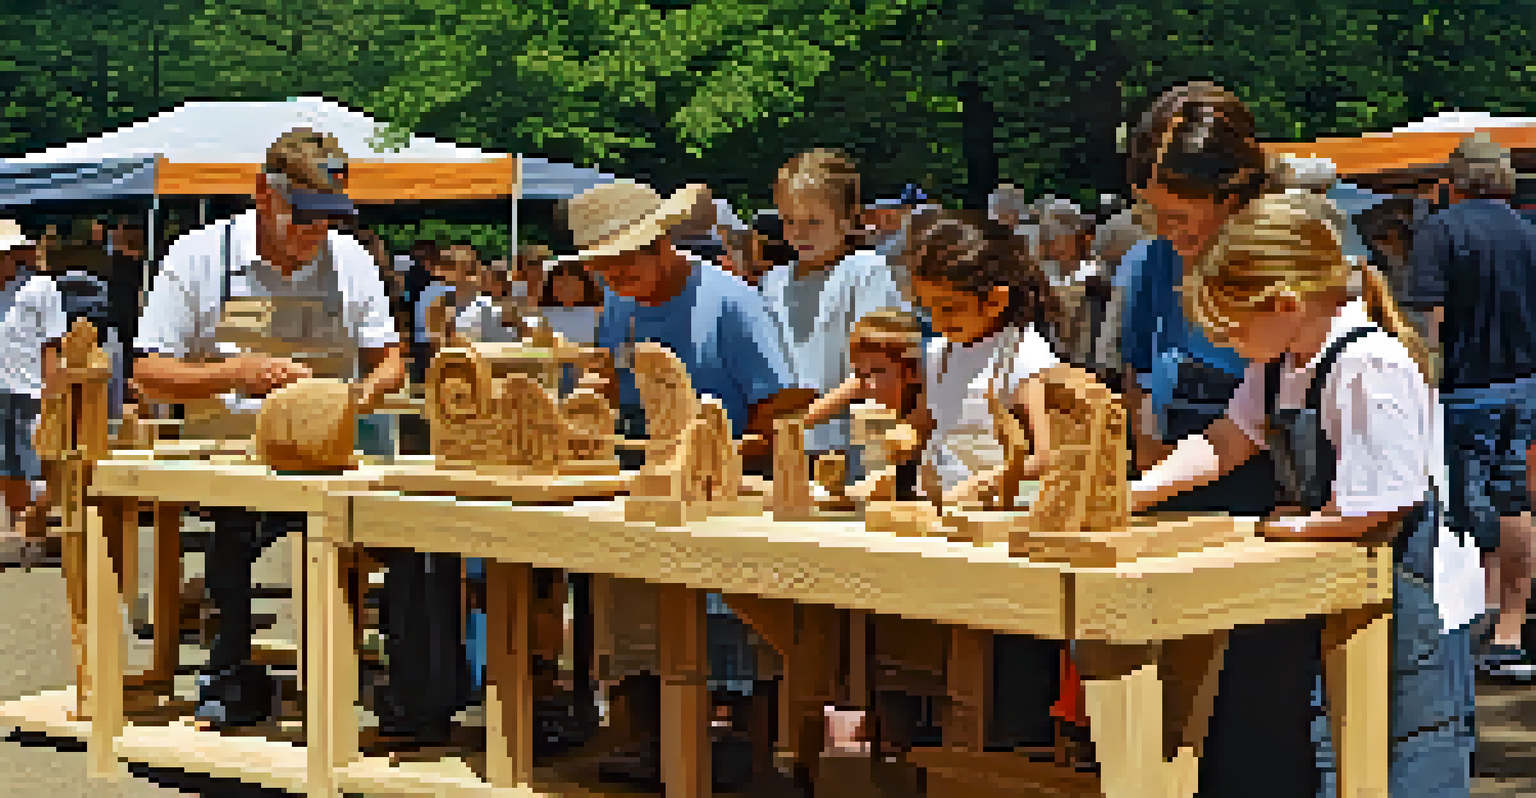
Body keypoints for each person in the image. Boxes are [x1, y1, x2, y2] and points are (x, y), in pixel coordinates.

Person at [1132, 190, 1475, 796]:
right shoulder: (1282, 364)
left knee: (1407, 761)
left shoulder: (1369, 363)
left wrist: (1299, 526)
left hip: (1411, 606)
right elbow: (1227, 440)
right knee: (1339, 756)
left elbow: (1381, 505)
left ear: (1286, 303)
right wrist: (1136, 494)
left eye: (1234, 329)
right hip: (1349, 597)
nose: (1231, 345)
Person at [130, 129, 434, 738]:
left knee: (416, 537)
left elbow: (390, 361)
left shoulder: (349, 259)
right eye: (303, 218)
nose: (313, 234)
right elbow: (147, 374)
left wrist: (355, 397)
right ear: (263, 197)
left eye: (327, 220)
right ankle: (230, 673)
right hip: (232, 452)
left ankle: (406, 693)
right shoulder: (199, 256)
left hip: (330, 453)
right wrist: (236, 372)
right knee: (231, 537)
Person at [568, 178, 812, 792]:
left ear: (662, 244)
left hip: (727, 493)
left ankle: (757, 765)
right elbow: (616, 379)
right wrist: (593, 396)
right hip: (649, 490)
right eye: (604, 271)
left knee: (739, 631)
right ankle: (655, 746)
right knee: (638, 622)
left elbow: (783, 410)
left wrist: (716, 455)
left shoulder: (732, 304)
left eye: (625, 266)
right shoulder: (620, 304)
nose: (616, 281)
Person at [1119, 81, 1326, 798]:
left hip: (1281, 489)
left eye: (1181, 215)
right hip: (1194, 466)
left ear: (1233, 193)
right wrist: (1145, 479)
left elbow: (1262, 420)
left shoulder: (1289, 251)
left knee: (1259, 698)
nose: (1169, 231)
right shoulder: (1151, 264)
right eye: (1155, 214)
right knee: (1186, 694)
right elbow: (1154, 383)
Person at [1403, 135, 1536, 681]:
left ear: (1453, 182)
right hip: (1525, 385)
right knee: (1515, 501)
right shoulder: (1529, 232)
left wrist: (1422, 377)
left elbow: (1425, 313)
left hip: (1465, 388)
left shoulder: (1441, 230)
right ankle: (1510, 630)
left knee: (1465, 505)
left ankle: (1475, 622)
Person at [759, 149, 908, 480]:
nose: (799, 233)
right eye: (789, 221)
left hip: (850, 443)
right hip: (788, 443)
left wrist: (807, 418)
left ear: (847, 218)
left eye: (814, 222)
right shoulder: (775, 280)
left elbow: (876, 367)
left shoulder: (866, 271)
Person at [0, 220, 66, 569]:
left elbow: (51, 343)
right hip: (1, 389)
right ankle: (20, 530)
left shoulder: (40, 288)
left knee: (39, 464)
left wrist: (52, 393)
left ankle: (36, 526)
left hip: (31, 389)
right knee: (6, 463)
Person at [535, 255, 603, 346]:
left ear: (585, 286)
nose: (567, 291)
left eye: (572, 285)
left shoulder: (599, 314)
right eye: (560, 287)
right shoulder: (544, 313)